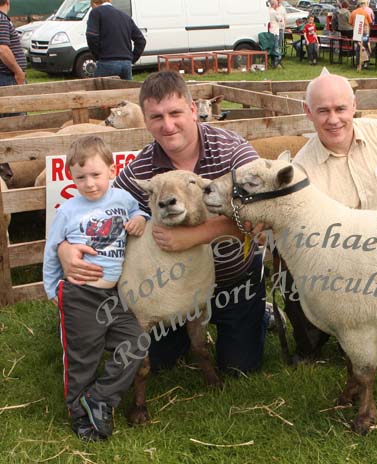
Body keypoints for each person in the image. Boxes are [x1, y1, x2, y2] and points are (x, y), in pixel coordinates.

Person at [57, 71, 268, 377]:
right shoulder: (138, 172)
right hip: (169, 289)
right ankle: (179, 332)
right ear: (145, 119)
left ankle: (258, 316)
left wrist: (198, 235)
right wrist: (65, 247)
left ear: (193, 109)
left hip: (232, 278)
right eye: (156, 117)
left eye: (175, 113)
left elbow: (262, 214)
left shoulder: (233, 152)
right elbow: (95, 214)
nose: (167, 126)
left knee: (240, 368)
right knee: (158, 362)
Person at [284, 71, 377, 362]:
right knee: (298, 287)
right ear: (308, 113)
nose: (333, 119)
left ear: (354, 106)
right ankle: (312, 338)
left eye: (340, 109)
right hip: (337, 261)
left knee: (366, 344)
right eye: (323, 111)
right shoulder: (302, 169)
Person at [43, 135, 148, 441]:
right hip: (80, 294)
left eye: (96, 175)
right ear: (71, 177)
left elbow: (142, 215)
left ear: (113, 171)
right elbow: (52, 251)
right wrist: (52, 290)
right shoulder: (69, 211)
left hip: (114, 295)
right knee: (83, 356)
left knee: (137, 342)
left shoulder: (124, 201)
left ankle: (99, 398)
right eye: (80, 177)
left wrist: (140, 217)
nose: (89, 184)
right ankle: (79, 416)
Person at [86, 0, 146, 80]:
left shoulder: (96, 12)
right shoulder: (125, 16)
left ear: (94, 4)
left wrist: (97, 55)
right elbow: (141, 40)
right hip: (126, 64)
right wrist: (131, 59)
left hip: (106, 62)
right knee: (125, 92)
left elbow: (91, 36)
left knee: (100, 92)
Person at [0, 0, 26, 88]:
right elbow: (2, 49)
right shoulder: (1, 19)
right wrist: (18, 72)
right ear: (7, 2)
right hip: (7, 77)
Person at [349, 0, 373, 70]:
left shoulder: (353, 12)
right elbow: (370, 21)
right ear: (361, 5)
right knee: (365, 45)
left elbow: (350, 22)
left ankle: (358, 63)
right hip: (365, 29)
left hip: (356, 29)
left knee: (358, 46)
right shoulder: (365, 12)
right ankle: (366, 62)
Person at [268, 0, 288, 68]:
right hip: (275, 31)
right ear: (274, 4)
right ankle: (277, 62)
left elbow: (285, 19)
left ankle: (274, 62)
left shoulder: (269, 10)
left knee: (274, 47)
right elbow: (280, 20)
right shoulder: (274, 11)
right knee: (276, 47)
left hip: (274, 30)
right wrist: (281, 20)